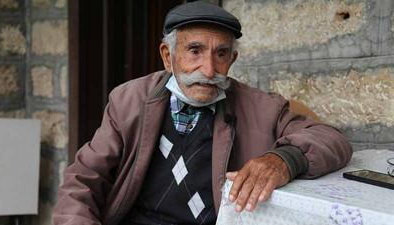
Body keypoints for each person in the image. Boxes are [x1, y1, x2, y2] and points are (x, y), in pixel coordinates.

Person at [53, 1, 352, 225]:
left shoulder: (263, 107)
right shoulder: (128, 100)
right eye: (194, 51)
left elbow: (332, 139)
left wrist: (283, 159)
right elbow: (82, 179)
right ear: (168, 57)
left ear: (231, 60)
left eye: (220, 54)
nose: (209, 70)